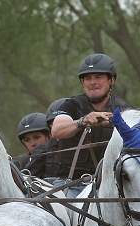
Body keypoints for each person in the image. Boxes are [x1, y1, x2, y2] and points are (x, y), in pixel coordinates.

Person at [49, 53, 131, 198]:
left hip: (112, 186)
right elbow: (56, 130)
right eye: (88, 78)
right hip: (71, 185)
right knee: (58, 217)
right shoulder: (71, 105)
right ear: (83, 83)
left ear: (112, 80)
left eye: (98, 77)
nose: (93, 82)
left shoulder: (125, 109)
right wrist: (84, 120)